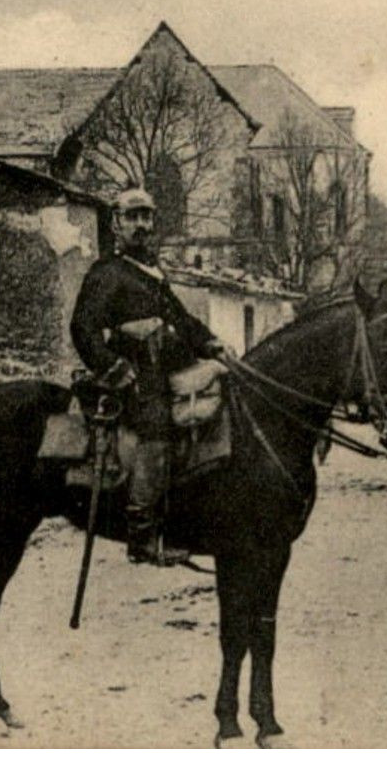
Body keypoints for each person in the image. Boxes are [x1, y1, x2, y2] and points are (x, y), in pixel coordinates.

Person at [70, 186, 225, 566]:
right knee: (158, 425)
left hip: (166, 370)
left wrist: (212, 344)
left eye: (147, 217)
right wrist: (113, 367)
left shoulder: (152, 273)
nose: (141, 225)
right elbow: (83, 328)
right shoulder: (107, 273)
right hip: (132, 377)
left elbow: (183, 321)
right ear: (116, 224)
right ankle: (142, 534)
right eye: (132, 217)